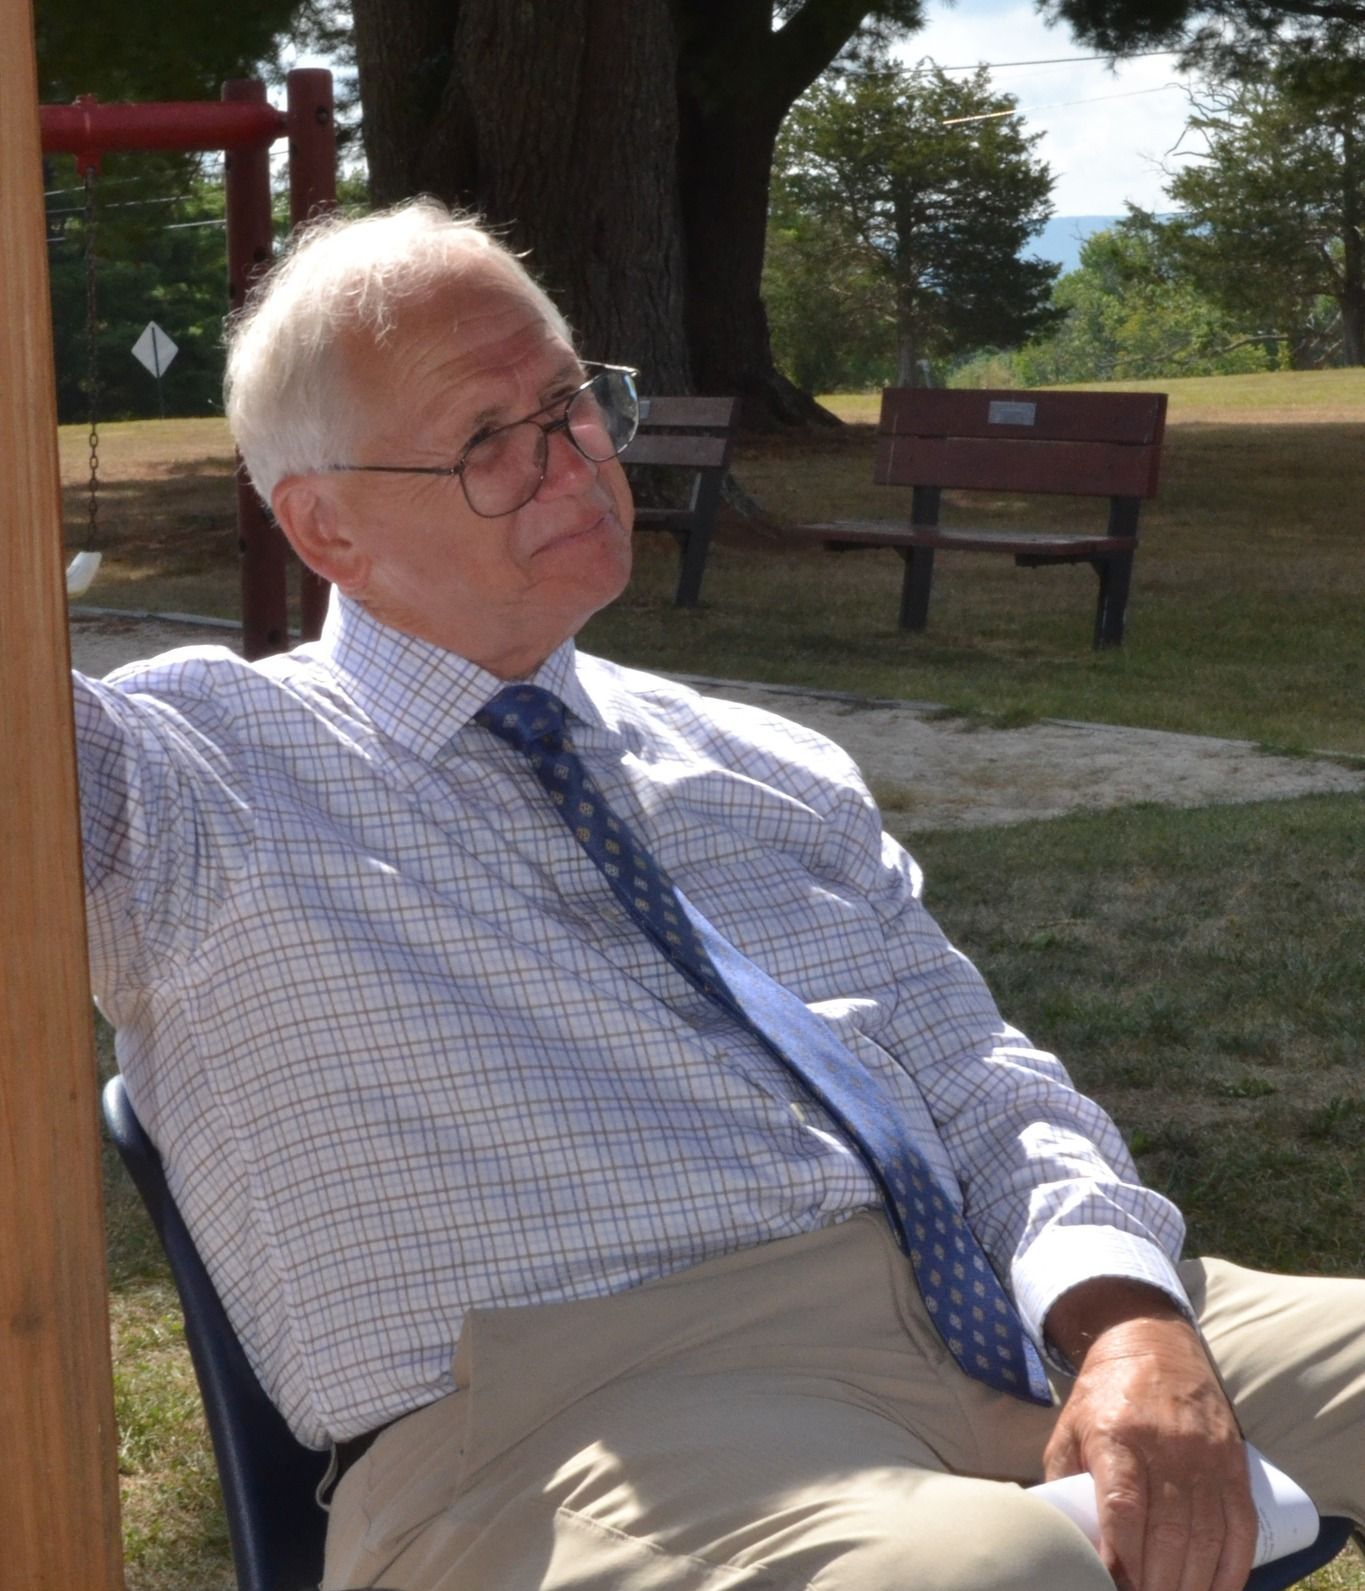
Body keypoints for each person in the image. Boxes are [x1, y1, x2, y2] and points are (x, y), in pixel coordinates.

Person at [73, 200, 1364, 1591]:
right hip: (582, 1429)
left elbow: (985, 1087)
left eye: (567, 404)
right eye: (483, 443)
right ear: (324, 527)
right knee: (987, 1576)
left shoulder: (761, 764)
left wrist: (1128, 1324)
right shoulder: (179, 778)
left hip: (993, 1311)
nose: (567, 463)